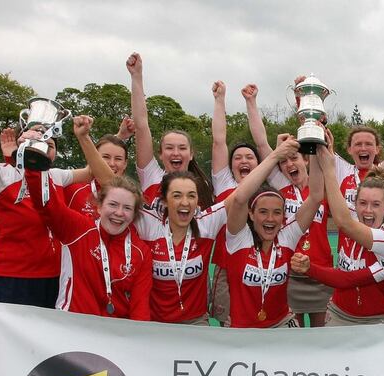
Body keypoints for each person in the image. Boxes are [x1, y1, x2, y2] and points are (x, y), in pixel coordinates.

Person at [0, 74, 93, 307]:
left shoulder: (56, 176)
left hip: (54, 277)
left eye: (49, 144)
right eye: (33, 138)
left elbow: (94, 171)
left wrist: (93, 137)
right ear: (19, 142)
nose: (41, 144)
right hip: (11, 279)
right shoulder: (0, 175)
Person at [26, 116, 153, 320]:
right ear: (99, 206)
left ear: (136, 213)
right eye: (113, 205)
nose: (119, 213)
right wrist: (33, 158)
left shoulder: (140, 251)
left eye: (127, 208)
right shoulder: (78, 229)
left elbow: (140, 306)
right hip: (74, 326)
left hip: (115, 330)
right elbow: (46, 203)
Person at [245, 85, 333, 327]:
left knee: (321, 336)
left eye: (294, 158)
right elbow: (262, 144)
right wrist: (251, 102)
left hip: (320, 271)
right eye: (283, 162)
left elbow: (319, 143)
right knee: (295, 336)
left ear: (306, 159)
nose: (288, 164)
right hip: (290, 271)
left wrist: (307, 105)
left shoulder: (321, 186)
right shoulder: (281, 187)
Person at [300, 131, 384, 325]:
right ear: (354, 204)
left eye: (376, 204)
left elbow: (346, 278)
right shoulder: (354, 223)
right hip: (339, 311)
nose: (368, 210)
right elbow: (316, 192)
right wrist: (315, 144)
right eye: (362, 203)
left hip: (374, 317)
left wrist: (309, 268)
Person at [223, 137, 324, 328]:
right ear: (251, 214)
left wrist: (316, 147)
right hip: (243, 329)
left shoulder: (287, 236)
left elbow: (316, 196)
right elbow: (239, 198)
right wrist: (275, 155)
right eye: (263, 212)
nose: (270, 219)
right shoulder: (239, 238)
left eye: (277, 212)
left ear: (284, 215)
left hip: (280, 325)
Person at [208, 81, 262, 326]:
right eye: (238, 158)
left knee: (259, 322)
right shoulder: (224, 185)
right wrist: (219, 100)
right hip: (227, 268)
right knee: (229, 327)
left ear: (259, 164)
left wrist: (251, 103)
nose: (244, 161)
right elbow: (219, 142)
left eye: (249, 157)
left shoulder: (266, 187)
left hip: (261, 266)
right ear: (230, 166)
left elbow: (261, 142)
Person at [134, 170, 220, 324]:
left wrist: (268, 159)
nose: (185, 202)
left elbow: (240, 197)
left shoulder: (206, 224)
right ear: (164, 201)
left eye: (191, 196)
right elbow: (115, 189)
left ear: (197, 201)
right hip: (156, 323)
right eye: (177, 195)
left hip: (196, 322)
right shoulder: (150, 224)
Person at [127, 52, 210, 206]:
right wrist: (136, 76)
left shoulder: (202, 188)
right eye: (169, 148)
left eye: (182, 148)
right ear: (160, 154)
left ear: (191, 154)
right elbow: (141, 125)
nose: (176, 153)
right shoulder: (152, 177)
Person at [330, 74, 384, 207]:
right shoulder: (343, 170)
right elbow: (316, 140)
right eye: (358, 144)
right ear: (349, 149)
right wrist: (303, 100)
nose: (363, 148)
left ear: (377, 149)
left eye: (369, 144)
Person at [65, 119, 135, 219]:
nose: (112, 164)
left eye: (118, 159)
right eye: (105, 157)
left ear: (125, 164)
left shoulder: (132, 197)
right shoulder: (73, 188)